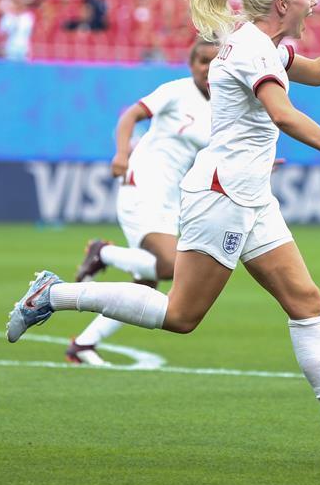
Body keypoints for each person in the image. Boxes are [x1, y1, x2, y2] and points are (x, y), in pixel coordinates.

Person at [7, 0, 320, 456]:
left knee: (306, 301)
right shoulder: (251, 50)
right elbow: (283, 115)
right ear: (283, 4)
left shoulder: (263, 46)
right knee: (181, 314)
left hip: (250, 196)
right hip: (221, 195)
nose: (314, 1)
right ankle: (53, 295)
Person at [66, 39, 218, 366]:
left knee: (146, 285)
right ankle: (101, 252)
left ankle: (83, 344)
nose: (207, 68)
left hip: (171, 195)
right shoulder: (176, 91)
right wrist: (122, 153)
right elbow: (131, 115)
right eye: (202, 61)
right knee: (171, 266)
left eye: (214, 62)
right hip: (144, 182)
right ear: (191, 64)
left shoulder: (222, 107)